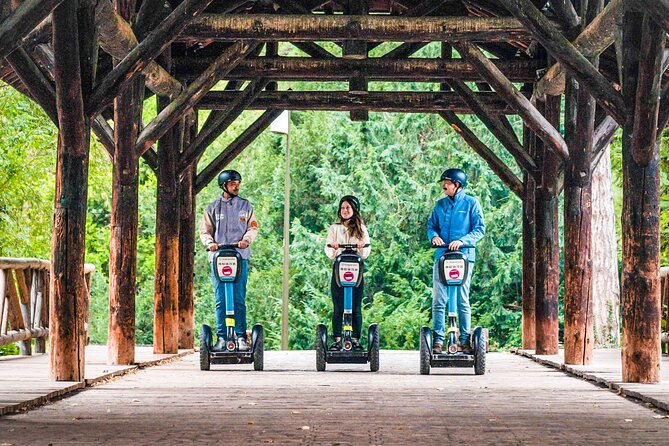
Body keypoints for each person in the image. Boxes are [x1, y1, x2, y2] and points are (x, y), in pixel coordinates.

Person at [427, 168, 485, 354]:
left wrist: (462, 241)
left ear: (457, 185)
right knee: (439, 299)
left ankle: (465, 341)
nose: (444, 186)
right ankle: (438, 341)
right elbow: (431, 226)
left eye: (448, 183)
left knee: (462, 299)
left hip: (464, 257)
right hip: (442, 257)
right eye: (444, 183)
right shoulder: (440, 205)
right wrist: (434, 237)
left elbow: (479, 229)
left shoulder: (471, 203)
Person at [200, 169, 258, 351]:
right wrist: (210, 243)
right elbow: (205, 231)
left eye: (238, 183)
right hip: (219, 258)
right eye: (233, 184)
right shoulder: (212, 207)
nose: (237, 186)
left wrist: (246, 241)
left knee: (239, 297)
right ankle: (222, 338)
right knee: (221, 299)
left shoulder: (246, 206)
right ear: (224, 185)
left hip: (239, 257)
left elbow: (253, 228)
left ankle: (240, 337)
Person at [324, 195, 371, 351]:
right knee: (338, 307)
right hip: (339, 270)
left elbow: (365, 252)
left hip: (356, 271)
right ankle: (338, 340)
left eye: (348, 208)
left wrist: (361, 245)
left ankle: (355, 340)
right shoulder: (334, 228)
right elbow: (329, 251)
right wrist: (335, 247)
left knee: (356, 307)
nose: (345, 210)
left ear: (354, 210)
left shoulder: (361, 229)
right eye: (343, 208)